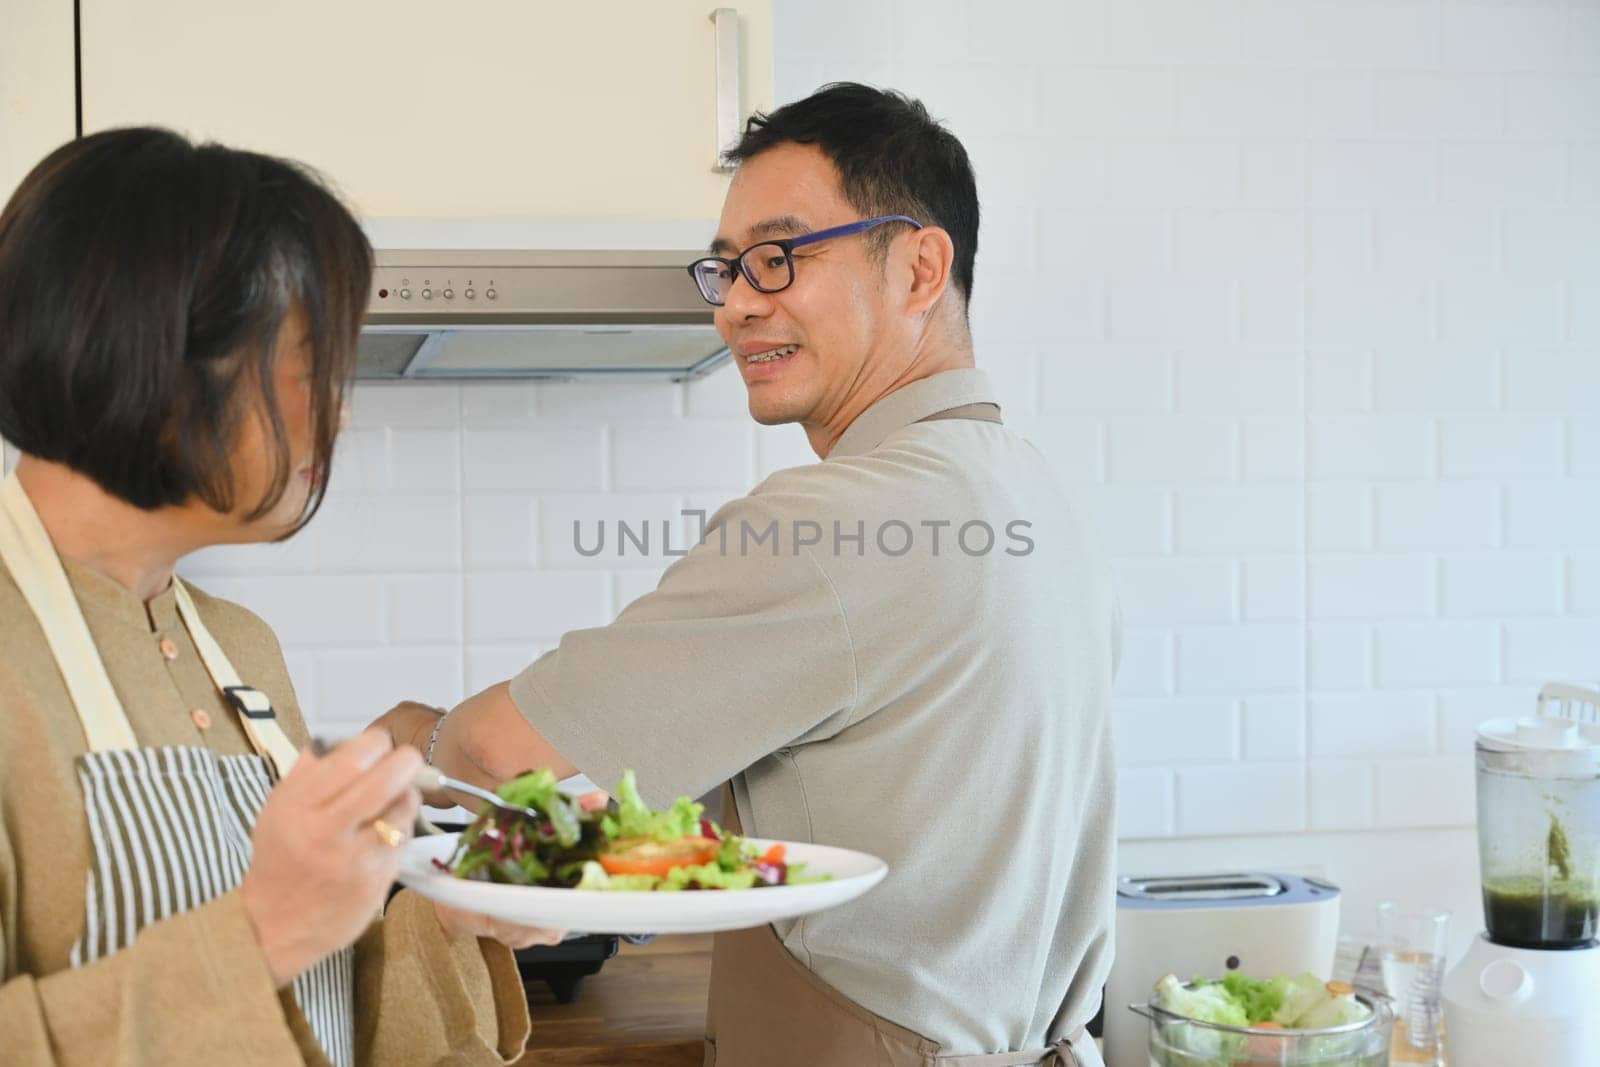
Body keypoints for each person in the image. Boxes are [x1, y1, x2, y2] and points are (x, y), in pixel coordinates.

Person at [383, 83, 1119, 1067]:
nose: (734, 305)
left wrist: (406, 746)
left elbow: (487, 752)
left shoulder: (833, 519)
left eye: (777, 258)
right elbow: (881, 786)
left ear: (918, 265)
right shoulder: (1036, 493)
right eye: (725, 269)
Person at [0, 127, 549, 1065]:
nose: (337, 410)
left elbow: (310, 1015)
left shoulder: (238, 648)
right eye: (309, 366)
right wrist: (259, 933)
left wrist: (448, 922)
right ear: (157, 355)